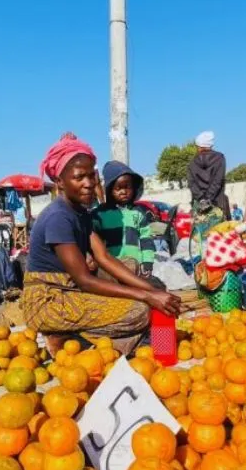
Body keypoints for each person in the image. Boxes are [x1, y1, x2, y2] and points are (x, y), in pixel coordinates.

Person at [20, 133, 181, 354]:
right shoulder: (58, 217)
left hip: (71, 288)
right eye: (79, 178)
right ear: (60, 183)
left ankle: (159, 347)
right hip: (50, 301)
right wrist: (148, 296)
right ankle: (66, 339)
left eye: (91, 176)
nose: (88, 184)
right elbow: (84, 280)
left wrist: (153, 289)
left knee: (138, 270)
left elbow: (103, 257)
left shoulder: (81, 213)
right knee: (139, 311)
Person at [92, 160, 158, 276]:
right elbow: (92, 237)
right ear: (109, 189)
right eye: (118, 188)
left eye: (127, 187)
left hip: (134, 267)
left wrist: (147, 262)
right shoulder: (101, 214)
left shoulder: (138, 212)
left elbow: (146, 239)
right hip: (111, 266)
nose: (123, 192)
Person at [188, 131, 230, 218]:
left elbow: (192, 184)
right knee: (220, 230)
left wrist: (201, 199)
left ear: (198, 146)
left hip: (199, 208)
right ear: (210, 145)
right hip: (217, 205)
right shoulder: (219, 158)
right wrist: (208, 200)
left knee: (200, 231)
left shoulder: (192, 163)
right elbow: (218, 181)